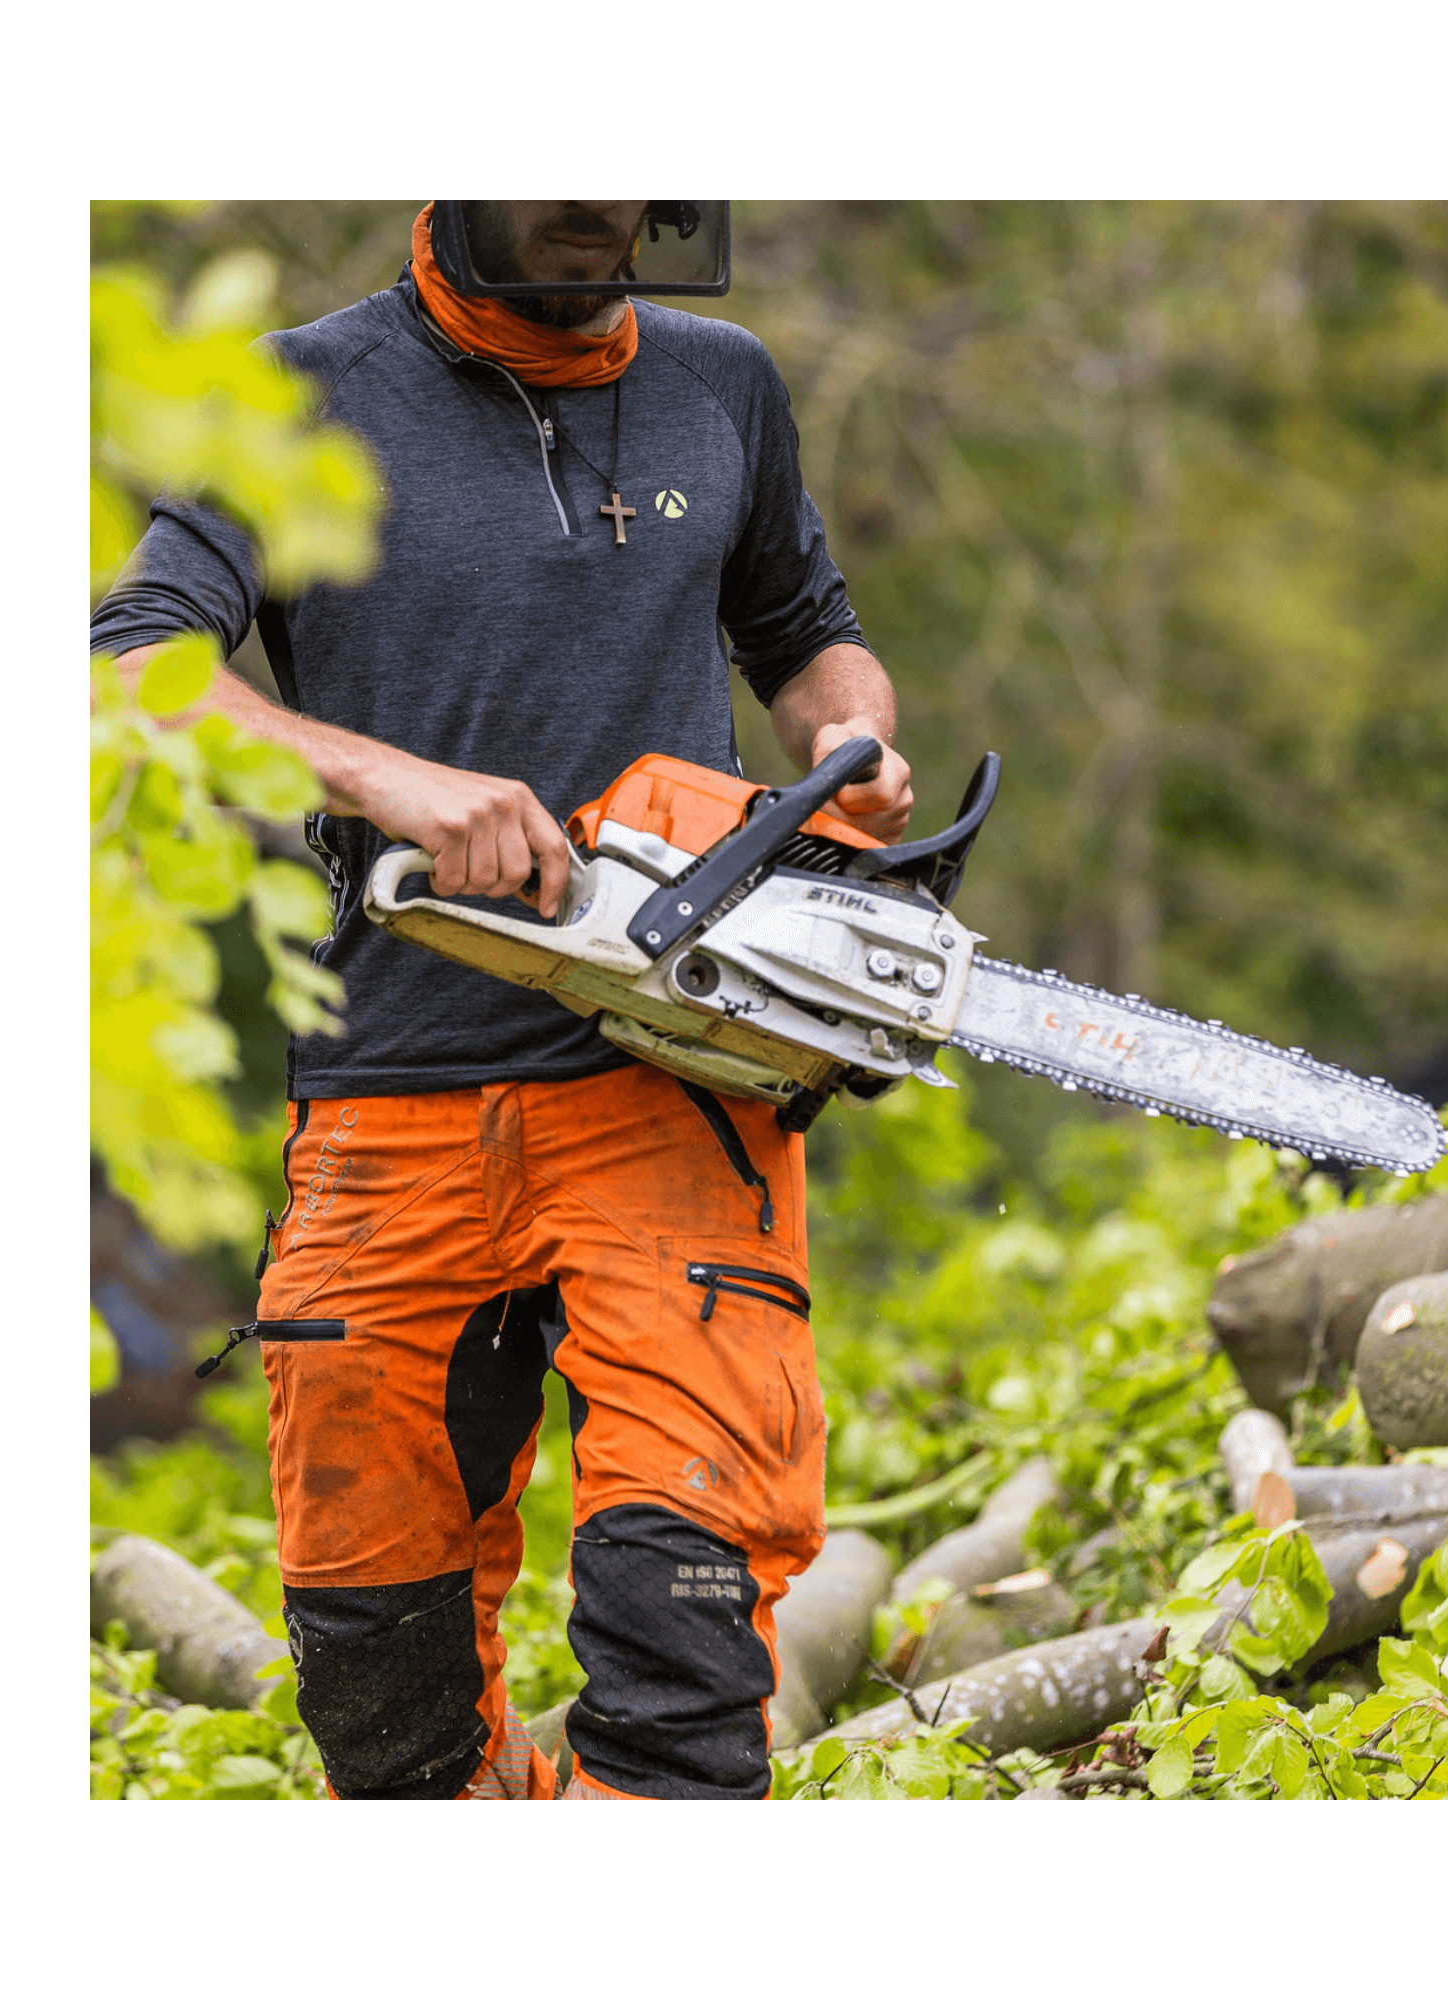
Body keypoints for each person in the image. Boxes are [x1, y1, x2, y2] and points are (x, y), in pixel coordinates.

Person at [91, 200, 914, 1800]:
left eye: (626, 203)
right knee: (380, 1690)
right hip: (389, 1091)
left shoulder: (718, 383)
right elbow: (127, 670)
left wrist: (850, 741)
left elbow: (810, 638)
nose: (595, 230)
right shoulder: (294, 398)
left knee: (680, 1621)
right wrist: (388, 783)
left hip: (673, 1080)